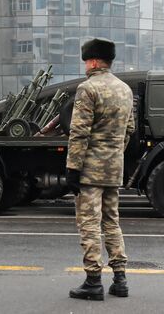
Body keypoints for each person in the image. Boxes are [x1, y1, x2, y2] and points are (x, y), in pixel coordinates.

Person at [66, 38, 135, 301]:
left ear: (93, 61)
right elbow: (129, 129)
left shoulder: (87, 89)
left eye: (86, 61)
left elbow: (79, 132)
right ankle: (120, 279)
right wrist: (114, 153)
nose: (85, 66)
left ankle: (93, 281)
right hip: (113, 169)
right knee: (112, 222)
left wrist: (73, 167)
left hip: (90, 171)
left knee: (89, 224)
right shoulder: (125, 90)